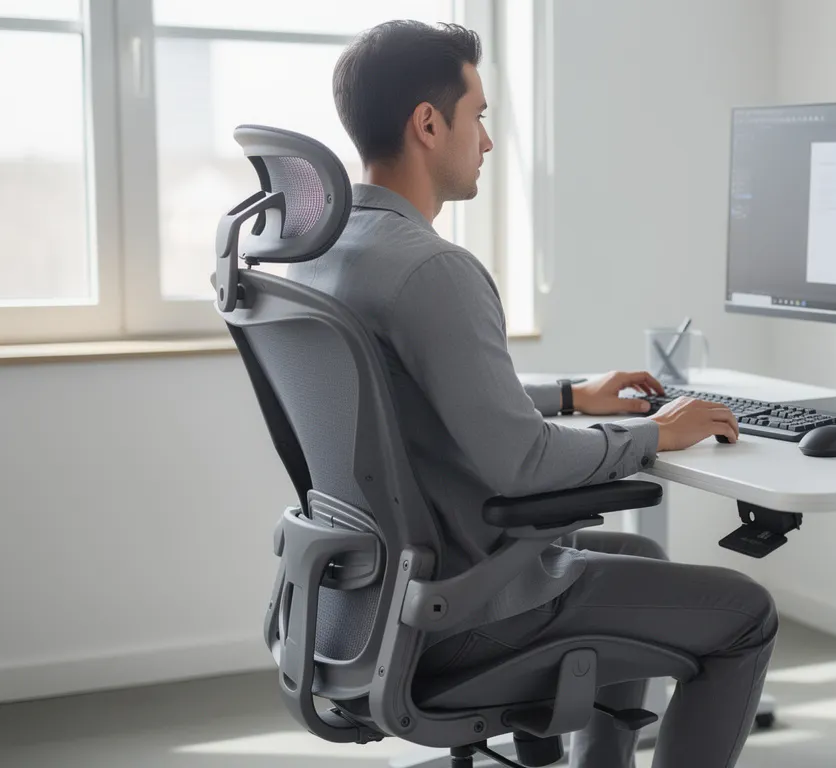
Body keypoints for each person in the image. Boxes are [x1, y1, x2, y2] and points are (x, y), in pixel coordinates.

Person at [290, 19, 777, 768]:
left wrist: (573, 397)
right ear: (428, 124)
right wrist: (657, 433)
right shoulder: (432, 269)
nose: (487, 141)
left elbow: (416, 398)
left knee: (639, 550)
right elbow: (521, 463)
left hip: (364, 598)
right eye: (478, 115)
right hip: (458, 612)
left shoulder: (327, 252)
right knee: (745, 614)